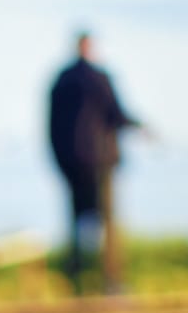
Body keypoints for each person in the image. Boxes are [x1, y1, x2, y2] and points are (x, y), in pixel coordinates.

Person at [48, 32, 144, 294]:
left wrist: (60, 162)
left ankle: (75, 280)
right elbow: (117, 114)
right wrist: (139, 126)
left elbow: (51, 127)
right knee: (109, 222)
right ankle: (111, 280)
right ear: (90, 48)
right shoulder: (99, 78)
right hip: (101, 163)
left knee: (75, 223)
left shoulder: (60, 81)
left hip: (71, 165)